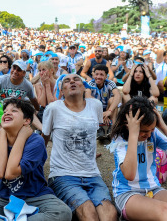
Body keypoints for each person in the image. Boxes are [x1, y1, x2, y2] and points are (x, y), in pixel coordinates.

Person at [0, 98, 72, 221]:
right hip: (2, 197)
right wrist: (2, 134)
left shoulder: (35, 141)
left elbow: (11, 173)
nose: (7, 113)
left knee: (62, 212)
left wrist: (22, 137)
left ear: (27, 121)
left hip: (35, 196)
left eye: (14, 111)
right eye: (5, 111)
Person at [108, 96, 167, 221]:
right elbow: (129, 175)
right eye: (144, 131)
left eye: (151, 130)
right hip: (128, 193)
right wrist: (133, 134)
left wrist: (163, 127)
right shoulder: (120, 139)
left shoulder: (152, 133)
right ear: (129, 125)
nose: (149, 134)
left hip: (153, 188)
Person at [42, 74, 118, 221]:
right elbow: (43, 141)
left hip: (92, 174)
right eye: (66, 80)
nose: (72, 81)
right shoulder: (53, 109)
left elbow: (89, 136)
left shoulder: (95, 105)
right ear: (61, 90)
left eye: (76, 79)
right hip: (63, 174)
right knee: (88, 212)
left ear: (84, 86)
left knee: (110, 213)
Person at [86, 65, 121, 135]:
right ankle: (98, 128)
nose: (98, 77)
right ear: (93, 75)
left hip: (108, 109)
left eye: (101, 75)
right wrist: (100, 114)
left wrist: (109, 112)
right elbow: (87, 96)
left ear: (106, 76)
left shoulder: (110, 83)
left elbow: (118, 96)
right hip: (96, 110)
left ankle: (112, 130)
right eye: (96, 74)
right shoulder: (90, 84)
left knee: (112, 99)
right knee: (89, 102)